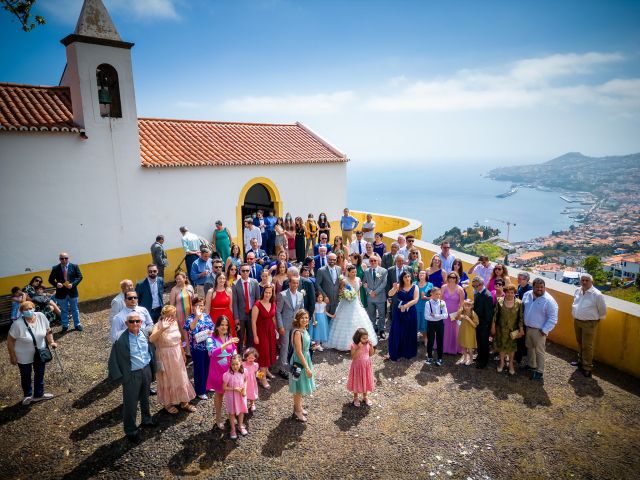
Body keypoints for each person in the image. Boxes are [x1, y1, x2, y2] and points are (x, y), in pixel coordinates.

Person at [108, 311, 155, 443]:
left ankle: (146, 419)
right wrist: (121, 378)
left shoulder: (145, 335)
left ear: (141, 322)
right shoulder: (121, 339)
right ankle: (131, 430)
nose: (135, 324)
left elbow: (151, 351)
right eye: (131, 321)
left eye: (137, 321)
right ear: (126, 323)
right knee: (130, 403)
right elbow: (113, 361)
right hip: (132, 374)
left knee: (145, 398)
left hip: (146, 370)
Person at [149, 305, 196, 414]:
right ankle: (168, 404)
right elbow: (151, 339)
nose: (171, 317)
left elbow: (179, 339)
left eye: (173, 315)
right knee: (167, 378)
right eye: (169, 315)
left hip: (177, 353)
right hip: (165, 355)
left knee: (181, 377)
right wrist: (162, 329)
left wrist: (183, 352)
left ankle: (184, 401)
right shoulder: (158, 325)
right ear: (163, 315)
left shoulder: (174, 323)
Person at [8, 301, 57, 406]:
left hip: (40, 352)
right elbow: (10, 340)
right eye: (26, 310)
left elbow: (48, 330)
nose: (29, 311)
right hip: (23, 355)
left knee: (39, 373)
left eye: (31, 308)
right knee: (26, 375)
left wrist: (51, 341)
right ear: (21, 312)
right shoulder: (17, 324)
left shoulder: (41, 316)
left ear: (34, 308)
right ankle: (28, 395)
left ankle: (39, 394)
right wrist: (12, 356)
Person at [325, 266, 379, 351]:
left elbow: (358, 292)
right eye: (352, 272)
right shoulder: (344, 280)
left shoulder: (358, 279)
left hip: (356, 302)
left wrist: (360, 301)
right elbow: (340, 290)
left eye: (355, 272)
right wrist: (345, 295)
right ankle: (347, 344)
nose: (354, 274)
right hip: (346, 303)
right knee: (345, 321)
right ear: (348, 272)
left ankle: (361, 340)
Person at [571, 273, 607, 377]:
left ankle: (587, 367)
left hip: (589, 323)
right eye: (583, 280)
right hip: (577, 321)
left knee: (587, 345)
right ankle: (580, 361)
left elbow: (603, 310)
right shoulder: (577, 290)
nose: (584, 282)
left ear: (591, 281)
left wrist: (596, 321)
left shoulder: (597, 294)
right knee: (580, 342)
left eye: (587, 280)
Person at [523, 278, 558, 380]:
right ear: (533, 287)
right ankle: (531, 365)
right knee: (530, 348)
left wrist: (545, 329)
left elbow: (553, 318)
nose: (540, 289)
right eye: (537, 287)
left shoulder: (549, 301)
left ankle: (539, 371)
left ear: (544, 287)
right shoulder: (527, 294)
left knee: (539, 351)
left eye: (542, 287)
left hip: (539, 331)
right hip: (528, 328)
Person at [208, 316, 239, 429]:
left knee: (231, 395)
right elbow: (212, 353)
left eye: (226, 325)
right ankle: (218, 418)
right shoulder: (210, 338)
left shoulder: (229, 336)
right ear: (217, 326)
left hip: (230, 371)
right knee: (219, 394)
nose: (224, 327)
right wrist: (227, 343)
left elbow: (234, 350)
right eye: (222, 325)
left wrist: (237, 359)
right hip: (217, 371)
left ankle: (230, 415)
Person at [184, 296, 214, 400]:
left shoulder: (206, 316)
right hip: (197, 348)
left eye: (201, 305)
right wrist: (197, 316)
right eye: (197, 305)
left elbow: (212, 327)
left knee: (208, 367)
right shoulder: (190, 318)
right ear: (193, 306)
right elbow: (191, 329)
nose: (199, 307)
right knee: (199, 369)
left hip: (208, 346)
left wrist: (212, 332)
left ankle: (207, 385)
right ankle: (200, 391)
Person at [289, 309, 316, 422]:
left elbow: (304, 348)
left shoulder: (304, 330)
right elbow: (299, 352)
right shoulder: (297, 333)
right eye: (302, 318)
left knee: (300, 385)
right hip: (298, 362)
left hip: (305, 358)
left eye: (306, 317)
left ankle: (298, 407)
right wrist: (307, 367)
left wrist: (311, 347)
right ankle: (298, 411)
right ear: (298, 319)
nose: (305, 320)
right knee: (298, 388)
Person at [491, 285, 524, 375]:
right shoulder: (499, 301)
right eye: (508, 292)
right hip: (501, 329)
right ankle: (502, 362)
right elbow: (495, 315)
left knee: (512, 348)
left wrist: (521, 330)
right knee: (501, 346)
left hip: (513, 330)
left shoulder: (519, 303)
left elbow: (521, 318)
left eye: (512, 292)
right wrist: (493, 327)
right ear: (505, 292)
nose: (510, 294)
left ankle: (510, 365)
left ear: (514, 293)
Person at [276, 276, 305, 378]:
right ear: (289, 283)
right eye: (293, 283)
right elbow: (278, 312)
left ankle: (295, 367)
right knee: (284, 347)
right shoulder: (282, 294)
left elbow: (302, 311)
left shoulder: (301, 295)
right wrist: (280, 326)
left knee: (296, 346)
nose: (295, 285)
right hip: (285, 325)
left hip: (296, 326)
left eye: (297, 283)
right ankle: (282, 369)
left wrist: (302, 325)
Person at [387, 271, 419, 361]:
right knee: (398, 330)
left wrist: (406, 306)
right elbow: (390, 294)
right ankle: (397, 351)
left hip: (410, 311)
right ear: (402, 278)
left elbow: (416, 300)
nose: (407, 278)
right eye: (405, 277)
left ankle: (408, 352)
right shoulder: (399, 286)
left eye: (408, 276)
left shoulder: (415, 286)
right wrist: (394, 288)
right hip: (399, 311)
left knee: (409, 330)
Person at [48, 252, 83, 332]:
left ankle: (77, 324)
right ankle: (65, 326)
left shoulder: (74, 266)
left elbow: (80, 277)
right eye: (62, 258)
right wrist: (56, 284)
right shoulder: (55, 268)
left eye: (66, 258)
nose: (64, 260)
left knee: (75, 309)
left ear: (68, 258)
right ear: (59, 259)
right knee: (64, 310)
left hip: (72, 292)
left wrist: (73, 284)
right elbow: (50, 280)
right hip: (61, 293)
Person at [251, 284, 277, 388]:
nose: (267, 294)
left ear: (272, 293)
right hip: (261, 332)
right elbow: (253, 322)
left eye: (270, 292)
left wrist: (275, 330)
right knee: (263, 356)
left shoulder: (273, 303)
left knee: (269, 352)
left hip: (270, 331)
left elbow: (273, 318)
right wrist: (255, 336)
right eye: (266, 292)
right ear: (263, 292)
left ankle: (265, 371)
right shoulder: (257, 304)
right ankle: (262, 378)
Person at [232, 263, 261, 351]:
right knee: (240, 336)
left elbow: (257, 299)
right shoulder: (235, 284)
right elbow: (235, 302)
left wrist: (257, 314)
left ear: (250, 271)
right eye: (243, 271)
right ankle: (240, 355)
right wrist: (236, 317)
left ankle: (249, 355)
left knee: (251, 336)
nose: (245, 272)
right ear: (240, 271)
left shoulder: (255, 282)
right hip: (240, 315)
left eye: (247, 271)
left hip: (252, 314)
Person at [348, 328, 375, 407]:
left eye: (367, 338)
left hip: (366, 366)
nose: (366, 340)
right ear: (358, 337)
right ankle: (355, 397)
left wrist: (371, 346)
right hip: (357, 366)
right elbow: (353, 356)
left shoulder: (367, 344)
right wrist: (358, 348)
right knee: (357, 380)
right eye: (363, 338)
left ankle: (365, 396)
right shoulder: (354, 345)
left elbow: (371, 354)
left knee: (365, 380)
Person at [222, 354, 248, 439]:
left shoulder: (244, 371)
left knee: (241, 411)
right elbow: (224, 387)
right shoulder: (227, 374)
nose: (235, 366)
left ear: (240, 363)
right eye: (233, 364)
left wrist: (244, 389)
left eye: (237, 364)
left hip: (241, 395)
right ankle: (233, 429)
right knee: (232, 413)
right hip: (231, 397)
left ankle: (240, 425)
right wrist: (234, 389)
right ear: (230, 364)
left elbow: (245, 381)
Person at [472, 276, 494, 369]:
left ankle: (483, 361)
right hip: (478, 323)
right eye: (473, 286)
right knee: (479, 342)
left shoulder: (487, 296)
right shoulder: (478, 293)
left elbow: (489, 315)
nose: (474, 288)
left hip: (483, 325)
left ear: (481, 284)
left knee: (484, 343)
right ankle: (479, 356)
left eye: (475, 286)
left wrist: (483, 325)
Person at [364, 255, 388, 338]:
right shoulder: (366, 271)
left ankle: (382, 330)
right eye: (371, 261)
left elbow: (384, 283)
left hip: (380, 297)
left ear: (378, 261)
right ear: (369, 262)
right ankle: (373, 328)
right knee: (371, 314)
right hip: (370, 297)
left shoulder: (384, 271)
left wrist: (375, 292)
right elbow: (364, 283)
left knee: (382, 315)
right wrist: (370, 292)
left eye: (375, 260)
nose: (373, 262)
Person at [169, 272, 194, 356]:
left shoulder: (190, 287)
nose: (178, 280)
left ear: (185, 278)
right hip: (180, 315)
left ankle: (193, 347)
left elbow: (193, 300)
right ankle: (187, 351)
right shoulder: (174, 290)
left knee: (192, 330)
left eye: (180, 278)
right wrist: (173, 316)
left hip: (191, 313)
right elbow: (172, 304)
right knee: (184, 332)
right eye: (176, 279)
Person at [205, 272, 236, 337]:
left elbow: (231, 307)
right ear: (216, 279)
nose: (222, 280)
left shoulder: (229, 290)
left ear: (225, 280)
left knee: (228, 336)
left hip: (228, 317)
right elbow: (207, 309)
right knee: (216, 337)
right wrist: (207, 322)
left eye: (223, 278)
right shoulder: (211, 291)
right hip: (214, 317)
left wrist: (233, 319)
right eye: (220, 278)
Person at [424, 287, 448, 366]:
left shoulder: (442, 302)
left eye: (439, 294)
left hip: (440, 324)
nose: (438, 296)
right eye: (436, 294)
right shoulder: (428, 303)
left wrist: (435, 315)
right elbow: (427, 317)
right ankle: (429, 357)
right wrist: (440, 316)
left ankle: (440, 358)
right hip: (431, 324)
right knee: (430, 340)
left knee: (440, 340)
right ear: (432, 294)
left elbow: (446, 315)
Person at [442, 272, 465, 355]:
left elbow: (462, 303)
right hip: (445, 312)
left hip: (455, 313)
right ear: (448, 278)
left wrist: (459, 312)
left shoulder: (460, 289)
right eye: (450, 277)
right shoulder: (444, 287)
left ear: (457, 278)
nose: (452, 279)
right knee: (444, 330)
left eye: (454, 277)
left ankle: (454, 348)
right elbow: (441, 299)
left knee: (455, 331)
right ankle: (444, 347)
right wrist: (441, 310)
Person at [514, 271, 532, 365]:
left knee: (522, 337)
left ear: (527, 280)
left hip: (524, 316)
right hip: (519, 314)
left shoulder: (530, 290)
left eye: (521, 279)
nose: (518, 280)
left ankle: (520, 356)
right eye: (518, 278)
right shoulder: (520, 287)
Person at [457, 299, 479, 365]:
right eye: (465, 305)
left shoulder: (473, 314)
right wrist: (460, 317)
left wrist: (468, 319)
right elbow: (458, 319)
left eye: (468, 306)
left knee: (469, 347)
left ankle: (471, 359)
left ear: (472, 306)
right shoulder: (462, 311)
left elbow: (475, 325)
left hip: (470, 332)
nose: (467, 307)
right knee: (463, 345)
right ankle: (465, 358)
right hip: (463, 330)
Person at [414, 270, 433, 345]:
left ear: (426, 275)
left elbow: (433, 297)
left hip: (426, 308)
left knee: (425, 324)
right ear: (418, 275)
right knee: (415, 323)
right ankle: (415, 339)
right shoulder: (414, 284)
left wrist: (425, 297)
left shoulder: (430, 285)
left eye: (423, 273)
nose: (421, 274)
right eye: (420, 273)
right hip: (415, 307)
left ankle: (425, 338)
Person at [242, 348, 260, 412]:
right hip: (244, 381)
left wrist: (260, 375)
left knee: (251, 393)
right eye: (249, 358)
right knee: (244, 393)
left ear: (255, 358)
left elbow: (256, 373)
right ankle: (244, 404)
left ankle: (252, 404)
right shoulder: (243, 364)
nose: (251, 359)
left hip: (252, 382)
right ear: (246, 357)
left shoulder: (255, 365)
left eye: (252, 358)